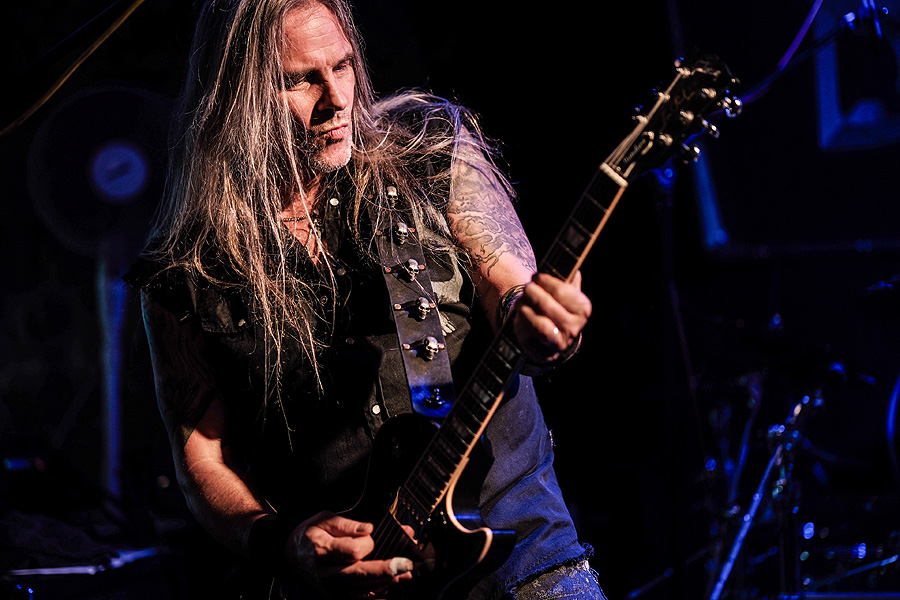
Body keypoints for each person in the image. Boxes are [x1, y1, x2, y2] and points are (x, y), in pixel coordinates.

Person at [126, 0, 604, 598]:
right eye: (301, 79)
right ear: (237, 97)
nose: (337, 99)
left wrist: (545, 326)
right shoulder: (187, 268)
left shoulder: (429, 155)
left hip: (524, 562)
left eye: (343, 66)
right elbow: (202, 461)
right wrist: (282, 543)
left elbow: (512, 291)